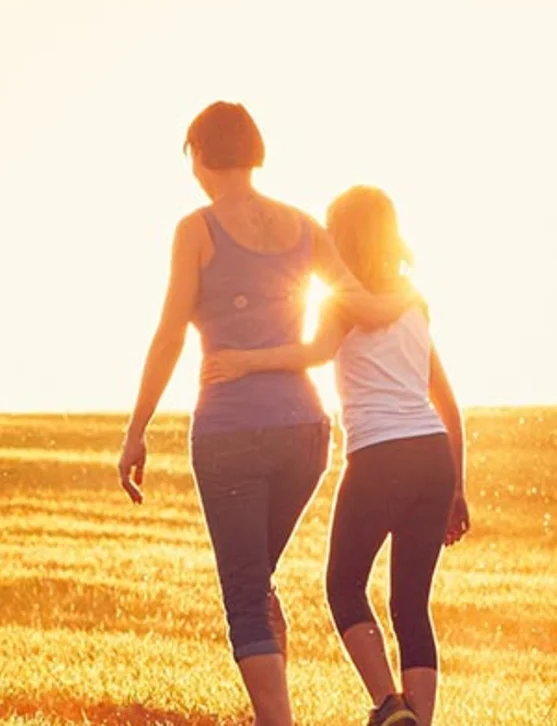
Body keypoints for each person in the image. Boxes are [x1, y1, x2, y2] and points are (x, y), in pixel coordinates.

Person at [116, 102, 418, 726]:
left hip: (231, 431)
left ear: (200, 156)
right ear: (253, 151)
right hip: (307, 434)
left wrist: (135, 431)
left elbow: (170, 333)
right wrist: (404, 297)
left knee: (247, 593)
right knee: (260, 578)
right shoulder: (305, 226)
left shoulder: (195, 230)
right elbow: (363, 305)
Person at [203, 186, 469, 726]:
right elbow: (447, 403)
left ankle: (390, 705)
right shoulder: (414, 302)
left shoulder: (344, 301)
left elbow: (314, 353)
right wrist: (457, 486)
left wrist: (245, 362)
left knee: (344, 585)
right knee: (411, 605)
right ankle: (417, 720)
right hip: (433, 455)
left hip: (379, 457)